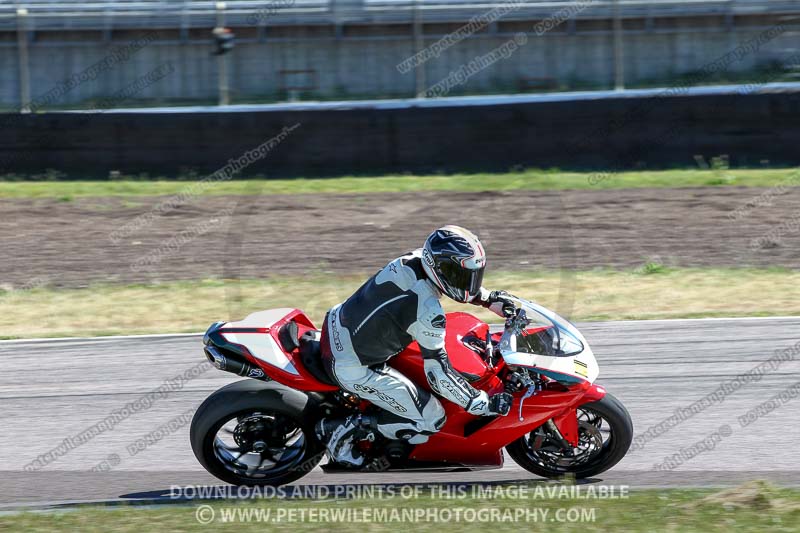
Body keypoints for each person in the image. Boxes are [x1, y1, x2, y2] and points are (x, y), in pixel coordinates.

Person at [317, 225, 515, 467]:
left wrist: (487, 298)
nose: (468, 283)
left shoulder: (415, 258)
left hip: (339, 322)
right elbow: (438, 376)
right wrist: (480, 403)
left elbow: (451, 282)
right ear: (440, 268)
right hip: (353, 364)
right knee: (431, 419)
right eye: (462, 276)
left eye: (474, 275)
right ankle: (343, 432)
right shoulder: (427, 311)